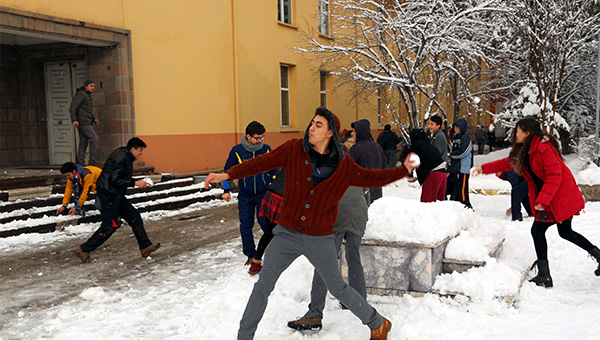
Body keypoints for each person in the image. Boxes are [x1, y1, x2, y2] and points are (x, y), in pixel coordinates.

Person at [204, 107, 420, 340]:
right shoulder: (294, 149)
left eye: (319, 125)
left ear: (330, 134)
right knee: (262, 286)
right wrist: (227, 175)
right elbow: (262, 163)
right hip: (287, 233)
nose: (311, 127)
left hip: (320, 237)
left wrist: (403, 171)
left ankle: (378, 323)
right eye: (312, 123)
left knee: (337, 287)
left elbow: (371, 177)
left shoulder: (343, 164)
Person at [473, 117, 600, 287]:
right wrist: (485, 168)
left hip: (558, 197)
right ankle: (592, 258)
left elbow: (555, 175)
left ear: (527, 133)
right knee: (564, 232)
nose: (514, 133)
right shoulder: (526, 149)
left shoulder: (543, 148)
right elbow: (509, 162)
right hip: (551, 197)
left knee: (538, 230)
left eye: (517, 130)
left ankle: (545, 275)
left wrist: (543, 200)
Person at [288, 185, 369, 331]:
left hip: (337, 212)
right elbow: (367, 193)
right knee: (353, 257)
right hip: (359, 211)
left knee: (324, 262)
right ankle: (358, 302)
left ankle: (314, 314)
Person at [73, 137, 161, 263]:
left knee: (134, 216)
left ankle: (145, 247)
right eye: (140, 150)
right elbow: (114, 179)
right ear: (133, 149)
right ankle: (84, 249)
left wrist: (136, 181)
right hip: (108, 194)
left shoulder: (126, 156)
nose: (141, 153)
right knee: (111, 225)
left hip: (116, 194)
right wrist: (135, 183)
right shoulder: (121, 158)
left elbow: (119, 178)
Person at [222, 121, 277, 265]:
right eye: (258, 138)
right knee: (246, 225)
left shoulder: (266, 149)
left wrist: (275, 188)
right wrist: (226, 190)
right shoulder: (237, 151)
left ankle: (271, 252)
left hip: (263, 193)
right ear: (248, 136)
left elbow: (274, 171)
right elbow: (228, 171)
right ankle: (251, 255)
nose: (260, 141)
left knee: (266, 225)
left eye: (262, 138)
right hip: (245, 195)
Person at [248, 168, 285, 275]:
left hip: (271, 195)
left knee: (270, 232)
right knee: (283, 233)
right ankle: (274, 263)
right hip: (282, 198)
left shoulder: (293, 158)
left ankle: (256, 263)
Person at [350, 119, 387, 203]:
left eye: (353, 131)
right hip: (377, 192)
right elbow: (384, 167)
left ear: (359, 132)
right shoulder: (378, 147)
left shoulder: (356, 149)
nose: (352, 134)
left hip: (362, 193)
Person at [406, 128, 447, 202]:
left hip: (433, 175)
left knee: (427, 204)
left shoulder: (416, 146)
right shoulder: (429, 145)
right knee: (439, 205)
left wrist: (410, 176)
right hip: (443, 173)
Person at [70, 78, 99, 166]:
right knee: (94, 139)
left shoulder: (87, 95)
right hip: (83, 122)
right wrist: (74, 119)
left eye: (94, 86)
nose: (93, 88)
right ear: (86, 86)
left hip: (86, 121)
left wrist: (93, 118)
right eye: (91, 86)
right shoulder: (81, 94)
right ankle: (92, 161)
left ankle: (80, 162)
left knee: (83, 142)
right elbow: (73, 107)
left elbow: (86, 110)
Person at [448, 118, 473, 209]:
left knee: (462, 188)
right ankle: (458, 203)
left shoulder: (465, 137)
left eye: (457, 127)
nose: (455, 129)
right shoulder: (457, 138)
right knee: (457, 187)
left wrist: (451, 155)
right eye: (454, 127)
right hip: (457, 168)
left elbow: (463, 152)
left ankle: (465, 204)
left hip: (463, 168)